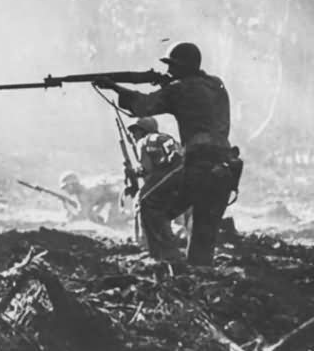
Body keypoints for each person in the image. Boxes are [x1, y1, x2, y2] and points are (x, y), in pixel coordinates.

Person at [94, 42, 241, 266]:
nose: (169, 71)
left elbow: (143, 105)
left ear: (184, 66)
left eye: (173, 66)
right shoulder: (216, 85)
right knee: (204, 232)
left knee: (150, 205)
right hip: (225, 168)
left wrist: (114, 87)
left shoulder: (179, 89)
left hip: (198, 166)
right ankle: (198, 280)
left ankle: (168, 264)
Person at [127, 117, 185, 256]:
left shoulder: (144, 141)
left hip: (168, 175)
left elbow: (147, 169)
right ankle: (174, 243)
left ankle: (145, 244)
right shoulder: (166, 138)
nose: (133, 135)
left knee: (141, 202)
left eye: (135, 131)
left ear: (143, 131)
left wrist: (133, 171)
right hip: (185, 178)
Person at [59, 171, 123, 225]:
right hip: (117, 193)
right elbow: (102, 199)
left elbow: (83, 215)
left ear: (71, 185)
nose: (65, 191)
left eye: (65, 187)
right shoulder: (83, 189)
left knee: (114, 224)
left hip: (122, 193)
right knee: (94, 218)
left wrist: (68, 221)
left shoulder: (85, 193)